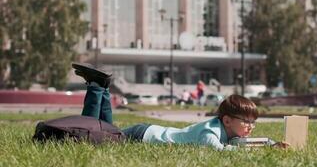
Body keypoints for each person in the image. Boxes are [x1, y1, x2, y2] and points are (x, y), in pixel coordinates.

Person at [73, 63, 288, 150]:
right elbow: (222, 152)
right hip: (143, 135)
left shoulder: (229, 130)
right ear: (227, 120)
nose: (251, 127)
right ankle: (96, 86)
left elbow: (243, 143)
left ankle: (100, 86)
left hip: (148, 131)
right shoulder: (209, 132)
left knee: (106, 134)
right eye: (247, 122)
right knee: (92, 137)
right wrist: (258, 149)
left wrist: (271, 144)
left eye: (253, 123)